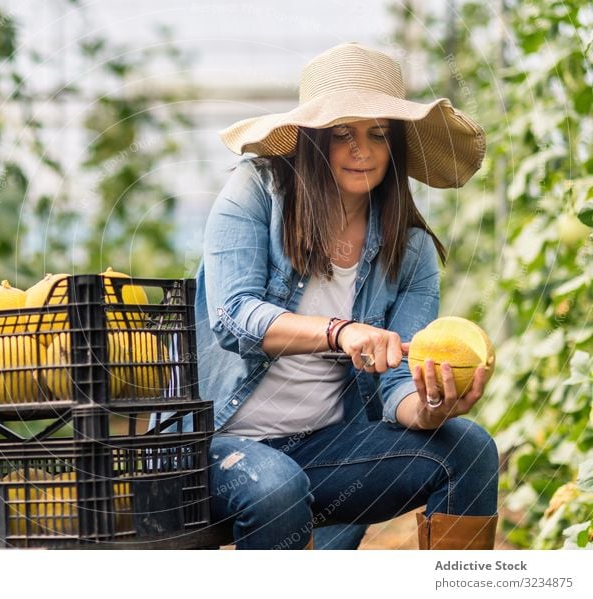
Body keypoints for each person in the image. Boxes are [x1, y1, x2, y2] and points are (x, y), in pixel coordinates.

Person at [194, 43, 498, 550]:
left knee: (468, 449)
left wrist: (430, 408)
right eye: (343, 135)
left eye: (378, 134)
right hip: (218, 444)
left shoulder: (411, 249)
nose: (364, 150)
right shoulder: (257, 192)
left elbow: (396, 384)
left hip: (324, 448)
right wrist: (341, 332)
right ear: (313, 141)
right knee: (277, 489)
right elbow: (233, 315)